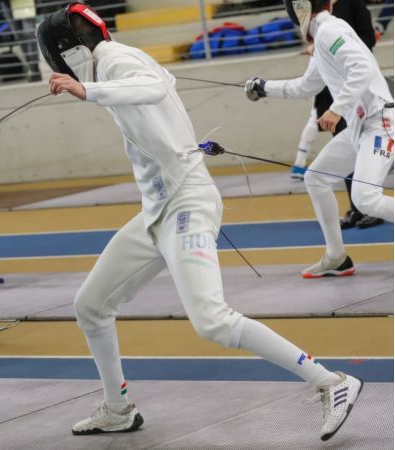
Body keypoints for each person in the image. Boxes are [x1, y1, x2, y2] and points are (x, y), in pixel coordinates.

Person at [37, 3, 364, 441]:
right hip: (157, 210)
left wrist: (87, 92)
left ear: (65, 51)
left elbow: (152, 87)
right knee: (91, 306)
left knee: (211, 319)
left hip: (186, 203)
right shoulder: (110, 61)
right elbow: (162, 85)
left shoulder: (115, 59)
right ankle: (117, 408)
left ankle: (332, 382)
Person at [246, 0, 393, 278]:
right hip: (361, 128)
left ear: (299, 9)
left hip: (381, 123)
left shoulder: (329, 32)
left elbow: (361, 67)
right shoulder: (323, 35)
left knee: (366, 199)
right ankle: (337, 257)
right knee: (316, 178)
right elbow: (306, 85)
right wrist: (264, 88)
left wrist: (336, 109)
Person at [290, 0, 383, 229]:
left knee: (368, 154)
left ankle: (368, 205)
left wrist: (333, 47)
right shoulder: (317, 9)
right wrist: (319, 49)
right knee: (344, 151)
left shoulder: (350, 5)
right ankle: (357, 207)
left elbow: (366, 42)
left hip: (357, 91)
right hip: (332, 89)